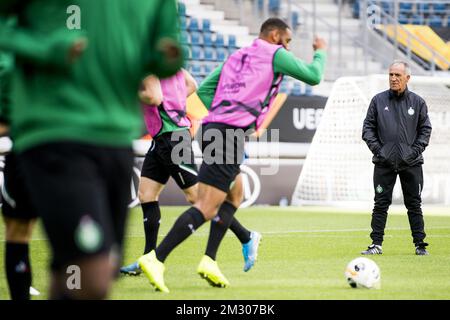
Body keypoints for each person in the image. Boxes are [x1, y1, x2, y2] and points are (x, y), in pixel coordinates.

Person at [0, 0, 183, 299]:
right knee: (91, 274)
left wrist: (166, 58)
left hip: (118, 135)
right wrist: (44, 48)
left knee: (88, 270)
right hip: (55, 130)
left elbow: (163, 50)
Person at [137, 18, 327, 293]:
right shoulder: (275, 53)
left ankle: (210, 260)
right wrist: (320, 50)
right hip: (229, 133)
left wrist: (224, 112)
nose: (287, 47)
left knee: (236, 193)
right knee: (206, 206)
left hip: (215, 128)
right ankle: (157, 258)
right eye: (286, 41)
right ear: (274, 36)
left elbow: (203, 91)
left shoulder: (237, 55)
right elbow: (314, 75)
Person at [120, 70, 262, 279]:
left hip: (174, 138)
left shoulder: (149, 62)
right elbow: (192, 84)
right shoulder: (168, 62)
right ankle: (148, 258)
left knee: (199, 198)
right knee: (146, 195)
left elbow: (154, 97)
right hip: (161, 138)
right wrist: (175, 102)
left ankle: (246, 236)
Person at [361, 60, 432, 256]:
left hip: (412, 164)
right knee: (380, 203)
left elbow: (425, 130)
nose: (393, 79)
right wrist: (379, 151)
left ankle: (420, 244)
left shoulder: (418, 103)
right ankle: (376, 244)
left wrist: (413, 152)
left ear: (407, 78)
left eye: (397, 75)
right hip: (384, 163)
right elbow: (367, 129)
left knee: (414, 204)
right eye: (391, 75)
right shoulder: (378, 101)